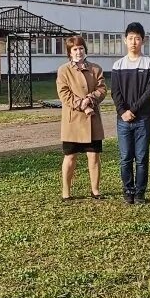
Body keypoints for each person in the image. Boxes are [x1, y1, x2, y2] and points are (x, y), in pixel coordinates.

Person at [111, 23, 150, 204]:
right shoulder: (118, 65)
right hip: (123, 120)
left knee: (141, 157)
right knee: (125, 158)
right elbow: (115, 92)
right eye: (130, 38)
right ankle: (127, 191)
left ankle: (139, 193)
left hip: (143, 119)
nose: (134, 42)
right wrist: (123, 111)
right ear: (125, 40)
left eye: (137, 38)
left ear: (143, 40)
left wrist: (134, 110)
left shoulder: (149, 64)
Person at [56, 35, 106, 200]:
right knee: (70, 156)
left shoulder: (96, 69)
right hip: (73, 121)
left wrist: (89, 100)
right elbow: (64, 94)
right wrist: (81, 104)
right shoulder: (64, 70)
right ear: (69, 53)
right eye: (74, 49)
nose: (78, 52)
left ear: (85, 49)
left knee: (94, 156)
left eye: (81, 48)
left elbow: (102, 90)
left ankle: (95, 190)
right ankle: (66, 192)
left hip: (92, 120)